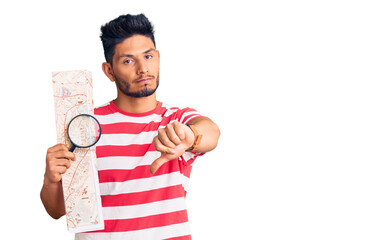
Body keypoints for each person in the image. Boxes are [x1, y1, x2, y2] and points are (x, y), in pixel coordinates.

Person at [40, 13, 220, 240]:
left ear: (158, 57)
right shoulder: (85, 126)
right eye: (128, 60)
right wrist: (50, 180)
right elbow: (57, 210)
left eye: (148, 56)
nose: (143, 68)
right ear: (109, 71)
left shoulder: (175, 120)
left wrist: (190, 136)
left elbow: (211, 132)